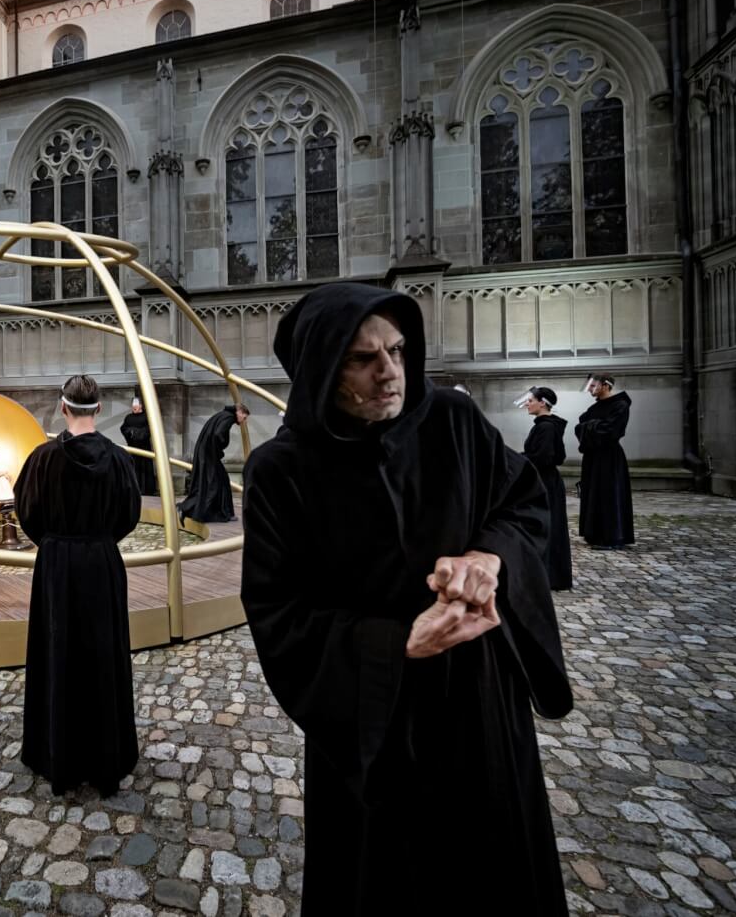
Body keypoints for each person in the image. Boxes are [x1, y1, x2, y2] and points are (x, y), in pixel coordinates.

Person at [240, 283, 572, 916]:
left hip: (480, 695)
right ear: (321, 366)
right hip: (372, 715)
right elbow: (277, 611)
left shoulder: (453, 420)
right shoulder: (281, 472)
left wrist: (487, 558)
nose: (388, 372)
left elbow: (521, 502)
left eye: (395, 350)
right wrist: (397, 643)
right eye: (362, 359)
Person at [14, 375, 143, 797]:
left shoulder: (42, 459)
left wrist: (55, 543)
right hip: (101, 562)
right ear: (99, 409)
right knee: (102, 653)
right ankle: (107, 753)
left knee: (58, 651)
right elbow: (129, 513)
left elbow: (27, 511)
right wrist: (99, 541)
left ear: (62, 407)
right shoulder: (120, 459)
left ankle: (58, 753)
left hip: (57, 563)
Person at [520, 387, 573, 591]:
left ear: (542, 403)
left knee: (546, 526)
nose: (527, 403)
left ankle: (548, 575)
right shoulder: (546, 426)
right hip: (546, 480)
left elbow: (543, 458)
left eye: (531, 400)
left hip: (545, 482)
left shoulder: (546, 427)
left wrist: (518, 458)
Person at [575, 374, 634, 550]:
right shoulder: (594, 408)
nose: (591, 389)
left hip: (609, 457)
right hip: (594, 456)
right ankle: (594, 533)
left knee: (609, 495)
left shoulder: (620, 405)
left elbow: (610, 430)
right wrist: (592, 426)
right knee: (594, 493)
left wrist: (590, 426)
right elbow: (580, 425)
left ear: (606, 386)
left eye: (594, 385)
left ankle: (611, 536)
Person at [177, 403, 249, 524]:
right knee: (213, 484)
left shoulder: (223, 415)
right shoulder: (228, 418)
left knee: (219, 482)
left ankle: (225, 512)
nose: (244, 421)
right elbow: (218, 434)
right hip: (209, 455)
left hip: (207, 454)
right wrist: (219, 449)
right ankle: (185, 508)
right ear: (239, 412)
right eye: (244, 417)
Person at [119, 396, 157, 495]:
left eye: (136, 405)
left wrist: (136, 433)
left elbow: (149, 430)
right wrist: (130, 433)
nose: (134, 407)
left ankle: (146, 490)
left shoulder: (147, 417)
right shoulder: (128, 418)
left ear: (141, 406)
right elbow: (123, 428)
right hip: (132, 448)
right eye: (133, 405)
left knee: (145, 470)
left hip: (144, 448)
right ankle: (134, 488)